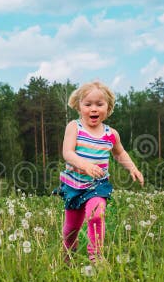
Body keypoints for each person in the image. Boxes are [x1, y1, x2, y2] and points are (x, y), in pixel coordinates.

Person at [56, 81, 144, 264]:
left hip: (97, 185)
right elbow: (67, 153)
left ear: (108, 107)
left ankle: (96, 257)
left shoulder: (110, 134)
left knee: (96, 215)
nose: (93, 109)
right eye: (88, 104)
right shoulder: (74, 127)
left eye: (99, 104)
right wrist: (84, 165)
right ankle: (67, 255)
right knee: (71, 227)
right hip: (75, 185)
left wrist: (133, 168)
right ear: (79, 106)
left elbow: (119, 153)